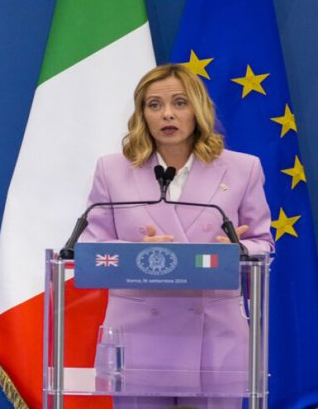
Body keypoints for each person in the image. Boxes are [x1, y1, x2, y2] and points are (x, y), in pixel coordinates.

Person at [80, 63, 273, 409]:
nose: (167, 114)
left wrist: (238, 251)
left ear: (198, 109)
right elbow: (91, 249)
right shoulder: (112, 170)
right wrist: (138, 254)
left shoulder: (243, 169)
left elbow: (263, 244)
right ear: (142, 114)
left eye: (180, 103)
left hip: (214, 338)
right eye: (154, 105)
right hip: (139, 335)